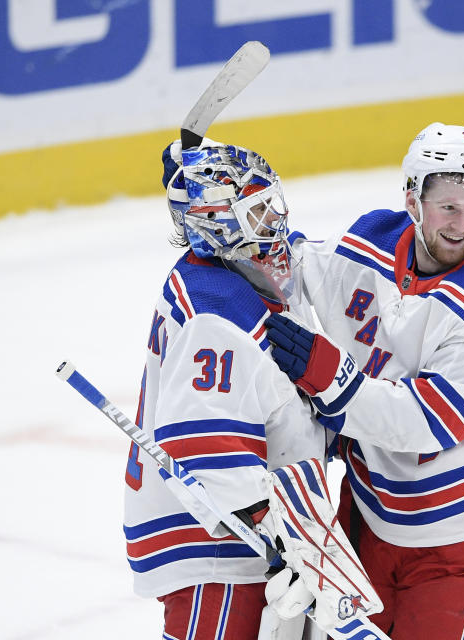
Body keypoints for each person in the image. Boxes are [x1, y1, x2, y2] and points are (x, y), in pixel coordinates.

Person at [264, 122, 464, 640]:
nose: (463, 225)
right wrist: (220, 213)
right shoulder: (373, 241)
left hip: (457, 536)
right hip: (368, 513)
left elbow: (427, 421)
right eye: (448, 208)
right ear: (412, 198)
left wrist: (328, 379)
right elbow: (291, 266)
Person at [126, 139, 323, 639]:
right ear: (219, 223)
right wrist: (281, 538)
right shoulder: (215, 311)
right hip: (217, 551)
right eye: (256, 210)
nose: (274, 219)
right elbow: (205, 445)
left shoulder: (228, 273)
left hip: (239, 548)